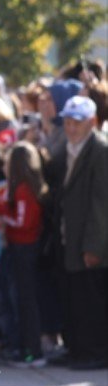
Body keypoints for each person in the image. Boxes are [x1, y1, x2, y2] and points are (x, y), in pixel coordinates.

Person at [55, 96, 108, 370]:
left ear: (92, 122)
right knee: (75, 299)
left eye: (77, 123)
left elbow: (102, 203)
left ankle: (95, 352)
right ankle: (77, 349)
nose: (71, 128)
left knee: (92, 302)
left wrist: (94, 247)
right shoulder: (71, 147)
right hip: (71, 236)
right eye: (67, 122)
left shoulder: (100, 150)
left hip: (90, 241)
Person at [0, 142, 47, 364]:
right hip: (25, 249)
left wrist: (1, 217)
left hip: (24, 249)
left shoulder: (22, 190)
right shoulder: (27, 188)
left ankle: (33, 350)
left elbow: (23, 222)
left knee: (26, 301)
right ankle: (28, 348)